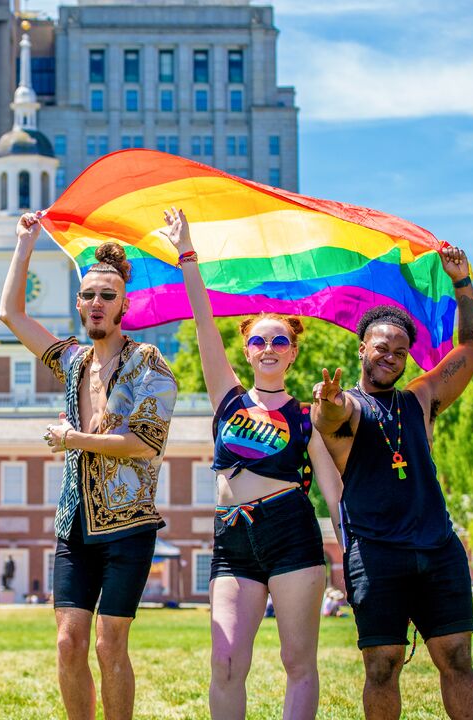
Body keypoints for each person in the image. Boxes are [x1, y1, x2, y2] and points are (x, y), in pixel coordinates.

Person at [162, 207, 344, 720]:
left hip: (292, 534)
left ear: (292, 354)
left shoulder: (305, 417)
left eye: (279, 341)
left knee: (297, 662)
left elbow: (332, 492)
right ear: (246, 349)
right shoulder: (229, 397)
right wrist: (187, 253)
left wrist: (353, 553)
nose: (268, 348)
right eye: (258, 340)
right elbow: (202, 321)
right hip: (232, 538)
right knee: (225, 662)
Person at [0, 212, 178, 720]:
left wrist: (72, 438)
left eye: (107, 296)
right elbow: (11, 314)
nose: (96, 303)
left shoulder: (150, 364)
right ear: (78, 302)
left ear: (124, 304)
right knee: (68, 643)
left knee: (109, 645)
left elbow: (144, 443)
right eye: (88, 295)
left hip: (129, 527)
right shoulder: (73, 361)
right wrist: (25, 244)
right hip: (73, 524)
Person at [313, 244, 473, 720]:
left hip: (437, 547)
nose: (390, 357)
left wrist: (462, 283)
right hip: (375, 553)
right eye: (380, 347)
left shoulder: (422, 397)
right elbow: (331, 417)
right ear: (362, 348)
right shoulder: (346, 406)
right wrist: (326, 400)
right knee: (382, 667)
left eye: (399, 351)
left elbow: (472, 349)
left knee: (456, 658)